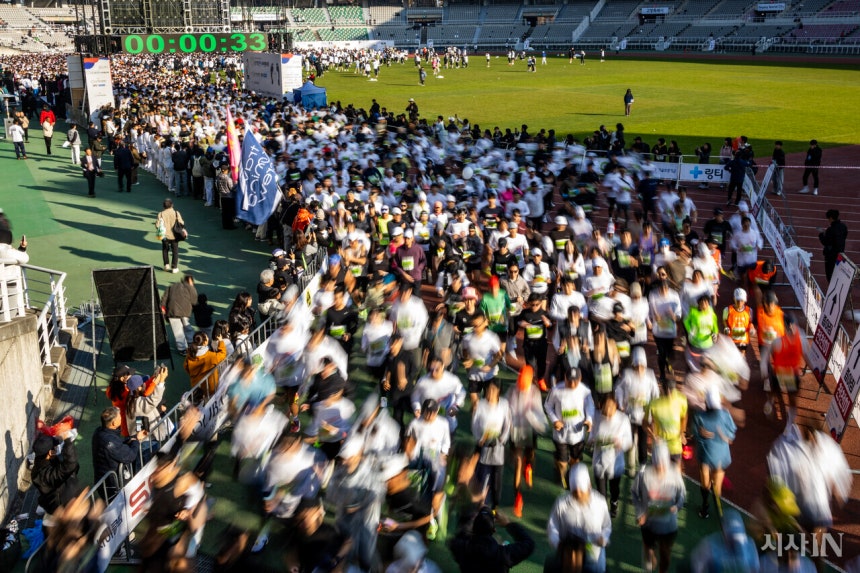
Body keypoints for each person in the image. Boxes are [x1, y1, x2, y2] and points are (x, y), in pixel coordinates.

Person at [546, 464, 612, 573]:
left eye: (582, 491)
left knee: (597, 570)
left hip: (593, 553)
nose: (579, 495)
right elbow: (552, 526)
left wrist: (603, 538)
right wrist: (557, 542)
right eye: (575, 492)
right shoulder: (561, 503)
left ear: (589, 486)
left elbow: (607, 526)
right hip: (567, 552)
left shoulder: (600, 503)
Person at [632, 442, 685, 573]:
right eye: (658, 465)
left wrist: (677, 507)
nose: (661, 468)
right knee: (649, 554)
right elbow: (634, 493)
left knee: (666, 554)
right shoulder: (643, 474)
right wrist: (640, 513)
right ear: (653, 461)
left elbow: (682, 494)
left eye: (663, 465)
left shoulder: (674, 474)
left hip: (668, 525)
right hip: (649, 523)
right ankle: (649, 559)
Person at [760, 313, 812, 429]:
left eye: (793, 327)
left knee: (791, 398)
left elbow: (806, 355)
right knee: (773, 391)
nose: (792, 330)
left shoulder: (799, 336)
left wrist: (813, 367)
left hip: (790, 374)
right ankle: (770, 403)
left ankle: (789, 423)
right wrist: (764, 371)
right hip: (781, 373)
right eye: (790, 327)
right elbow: (765, 354)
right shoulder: (778, 339)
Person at [692, 386, 737, 520]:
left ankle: (705, 507)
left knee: (705, 483)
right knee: (717, 486)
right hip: (721, 456)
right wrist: (723, 436)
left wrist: (702, 434)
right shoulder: (725, 414)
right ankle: (718, 511)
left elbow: (696, 435)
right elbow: (732, 435)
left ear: (706, 403)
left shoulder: (699, 416)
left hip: (705, 454)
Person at [449, 507, 534, 573]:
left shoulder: (462, 548)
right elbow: (529, 543)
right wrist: (508, 524)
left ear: (473, 529)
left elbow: (458, 536)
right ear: (494, 530)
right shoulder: (503, 555)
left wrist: (470, 519)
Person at [91, 406, 146, 500]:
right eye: (119, 417)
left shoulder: (99, 432)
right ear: (114, 423)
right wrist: (137, 440)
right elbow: (130, 455)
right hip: (113, 487)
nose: (121, 417)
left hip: (105, 483)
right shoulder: (110, 442)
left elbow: (118, 445)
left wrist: (131, 439)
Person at [30, 424, 83, 517]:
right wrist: (67, 441)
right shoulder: (44, 474)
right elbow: (70, 464)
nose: (56, 448)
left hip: (66, 503)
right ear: (50, 453)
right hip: (64, 511)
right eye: (54, 447)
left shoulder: (43, 462)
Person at [161, 274, 197, 356]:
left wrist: (163, 308)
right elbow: (194, 300)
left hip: (172, 311)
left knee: (177, 330)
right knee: (187, 326)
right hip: (185, 310)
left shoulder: (172, 286)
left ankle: (182, 349)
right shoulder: (190, 288)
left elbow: (164, 298)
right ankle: (191, 341)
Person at [156, 198, 185, 273]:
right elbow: (181, 223)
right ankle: (174, 267)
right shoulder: (176, 213)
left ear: (163, 206)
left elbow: (157, 225)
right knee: (175, 251)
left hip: (164, 235)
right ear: (172, 205)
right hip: (174, 235)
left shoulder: (161, 214)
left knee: (165, 249)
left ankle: (166, 265)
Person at [819, 209, 848, 282]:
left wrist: (821, 234)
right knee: (838, 274)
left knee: (830, 275)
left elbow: (825, 242)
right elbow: (844, 236)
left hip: (831, 257)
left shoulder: (831, 229)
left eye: (828, 219)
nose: (828, 220)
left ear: (831, 218)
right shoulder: (843, 226)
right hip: (840, 254)